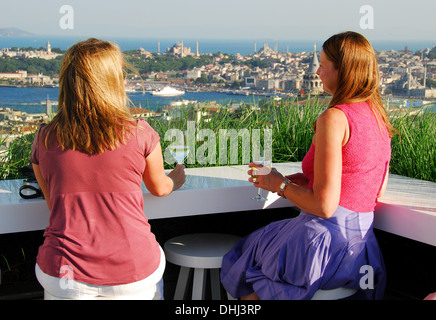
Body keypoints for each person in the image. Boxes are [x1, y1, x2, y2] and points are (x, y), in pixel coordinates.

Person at [220, 31, 395, 300]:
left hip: (321, 248)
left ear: (342, 72)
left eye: (323, 66)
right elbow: (372, 188)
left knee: (243, 258)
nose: (318, 72)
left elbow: (324, 206)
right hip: (361, 251)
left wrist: (277, 183)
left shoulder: (334, 119)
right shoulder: (378, 117)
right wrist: (308, 180)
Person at [30, 38, 185, 300]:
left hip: (64, 273)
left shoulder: (45, 138)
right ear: (114, 81)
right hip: (131, 272)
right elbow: (159, 188)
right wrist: (176, 179)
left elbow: (52, 203)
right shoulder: (140, 134)